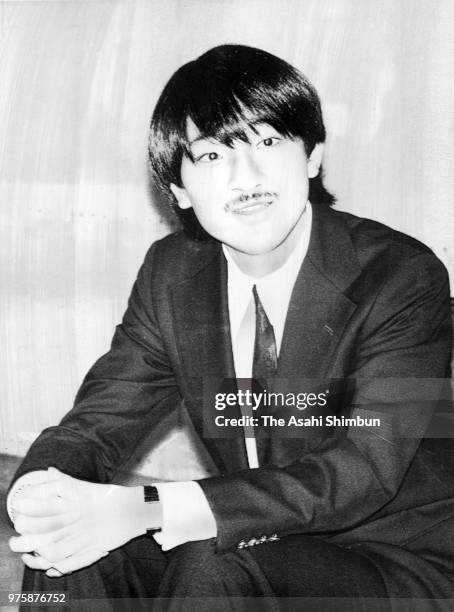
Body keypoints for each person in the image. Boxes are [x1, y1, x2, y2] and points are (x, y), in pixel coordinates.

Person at [6, 44, 454, 610]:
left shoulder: (399, 276)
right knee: (68, 545)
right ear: (179, 192)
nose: (246, 177)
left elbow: (363, 468)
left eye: (267, 142)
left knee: (214, 553)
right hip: (255, 534)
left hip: (391, 558)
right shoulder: (172, 274)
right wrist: (43, 493)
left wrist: (147, 507)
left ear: (312, 156)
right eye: (213, 156)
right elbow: (98, 422)